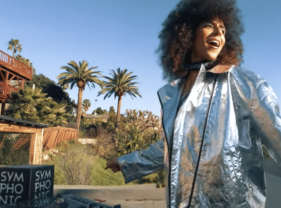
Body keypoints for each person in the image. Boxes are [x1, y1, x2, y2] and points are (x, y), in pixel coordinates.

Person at [105, 0, 281, 207]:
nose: (219, 34)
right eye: (209, 25)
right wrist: (125, 162)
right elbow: (167, 148)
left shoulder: (247, 85)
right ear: (188, 33)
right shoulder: (173, 95)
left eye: (223, 30)